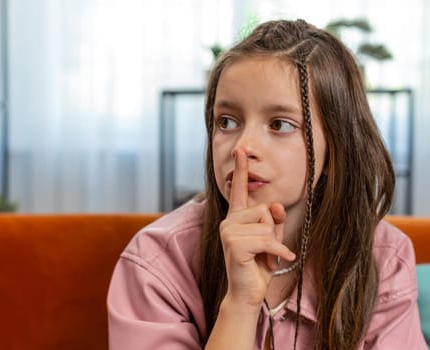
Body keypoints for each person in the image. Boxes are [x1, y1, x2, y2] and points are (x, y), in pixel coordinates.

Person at [107, 19, 427, 349]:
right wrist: (241, 305)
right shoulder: (156, 262)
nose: (242, 147)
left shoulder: (384, 258)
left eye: (279, 124)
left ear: (335, 149)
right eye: (227, 121)